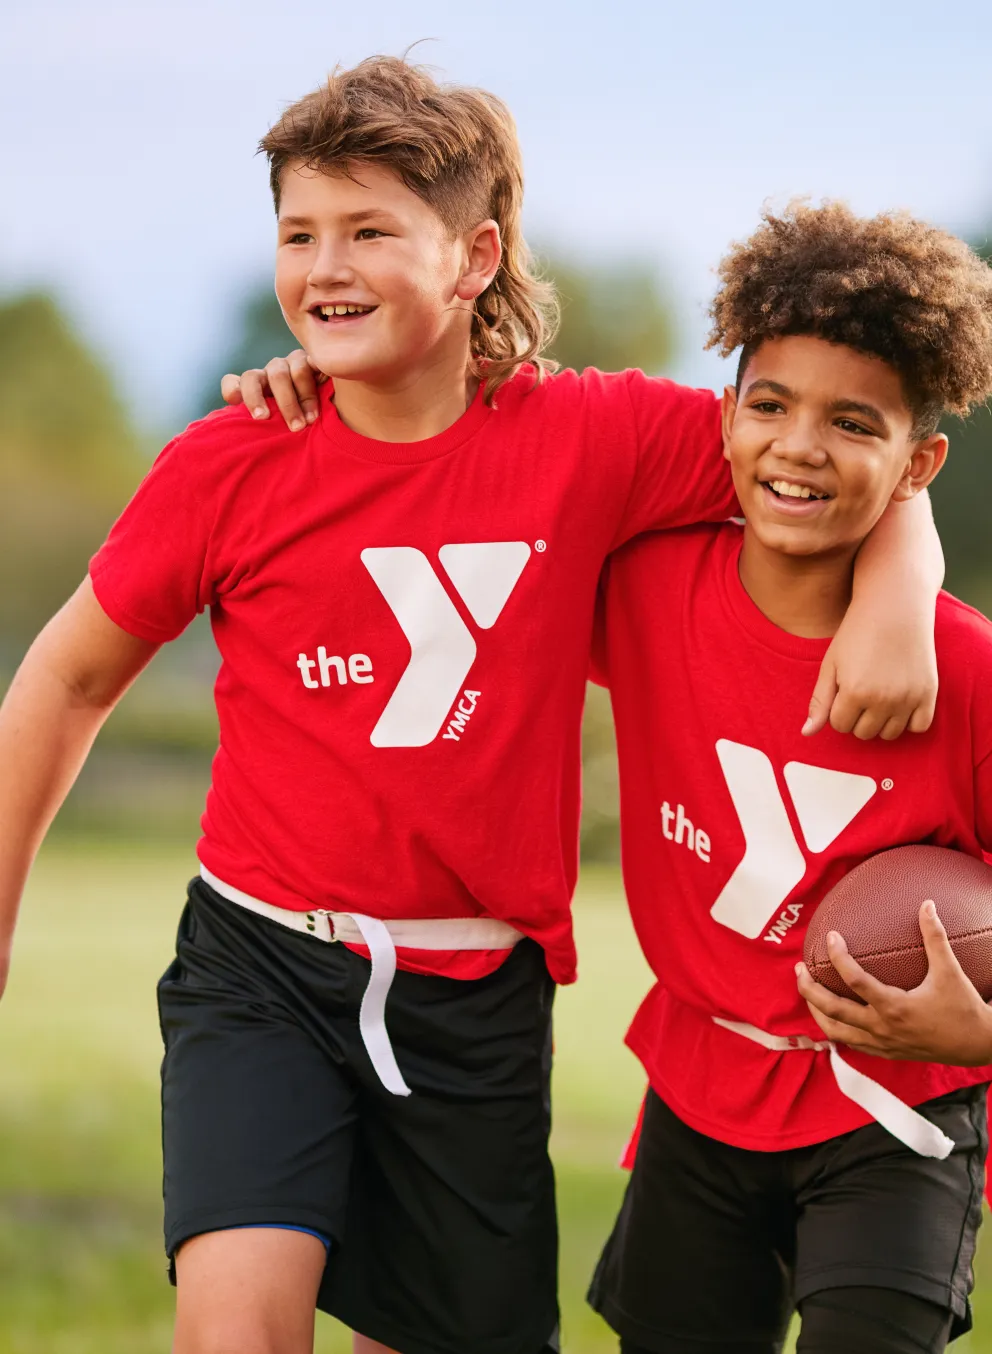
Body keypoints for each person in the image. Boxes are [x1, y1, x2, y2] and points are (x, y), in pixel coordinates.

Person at [0, 55, 940, 1354]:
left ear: (476, 253)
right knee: (234, 1332)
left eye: (370, 231)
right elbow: (64, 674)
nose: (325, 265)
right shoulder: (229, 462)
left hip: (474, 995)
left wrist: (905, 583)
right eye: (299, 233)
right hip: (262, 960)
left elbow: (826, 449)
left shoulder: (595, 436)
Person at [587, 201, 992, 1354]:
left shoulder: (960, 668)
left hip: (895, 1112)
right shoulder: (645, 588)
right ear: (724, 417)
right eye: (768, 404)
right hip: (698, 1093)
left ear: (917, 463)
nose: (799, 445)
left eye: (851, 422)